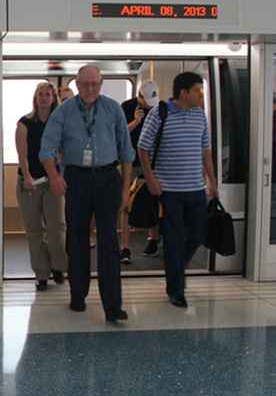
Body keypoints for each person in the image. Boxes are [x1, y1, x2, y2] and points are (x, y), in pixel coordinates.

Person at [39, 65, 134, 322]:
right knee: (77, 239)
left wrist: (125, 190)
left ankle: (113, 306)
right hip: (77, 180)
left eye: (95, 84)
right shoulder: (64, 112)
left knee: (109, 243)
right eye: (85, 84)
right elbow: (46, 149)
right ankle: (78, 296)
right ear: (77, 85)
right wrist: (55, 177)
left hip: (107, 179)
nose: (90, 89)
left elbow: (127, 153)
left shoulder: (113, 109)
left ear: (100, 84)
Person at [138, 71, 217, 309]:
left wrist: (213, 182)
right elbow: (143, 148)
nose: (200, 96)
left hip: (195, 189)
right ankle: (176, 289)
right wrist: (150, 178)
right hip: (169, 190)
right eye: (197, 91)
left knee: (198, 235)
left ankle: (176, 268)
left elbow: (205, 151)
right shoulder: (159, 114)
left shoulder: (200, 116)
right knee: (172, 240)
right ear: (184, 93)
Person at [15, 82, 67, 291]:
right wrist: (27, 176)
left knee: (56, 228)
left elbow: (65, 151)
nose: (44, 98)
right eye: (40, 94)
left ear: (53, 98)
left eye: (48, 94)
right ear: (35, 98)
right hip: (30, 183)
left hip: (52, 181)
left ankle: (58, 266)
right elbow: (22, 154)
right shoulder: (24, 123)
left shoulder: (60, 123)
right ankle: (41, 274)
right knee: (34, 231)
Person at [119, 81, 161, 263]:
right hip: (131, 162)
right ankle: (125, 247)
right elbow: (119, 134)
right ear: (139, 96)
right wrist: (135, 122)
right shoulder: (126, 107)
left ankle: (154, 238)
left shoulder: (160, 109)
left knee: (154, 201)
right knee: (126, 203)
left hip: (154, 163)